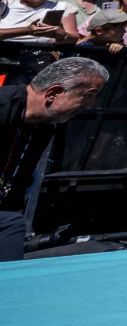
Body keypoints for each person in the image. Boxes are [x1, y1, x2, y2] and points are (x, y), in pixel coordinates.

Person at [0, 56, 109, 260]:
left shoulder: (43, 125)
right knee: (10, 224)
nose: (90, 105)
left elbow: (18, 180)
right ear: (54, 93)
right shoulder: (4, 107)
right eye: (88, 96)